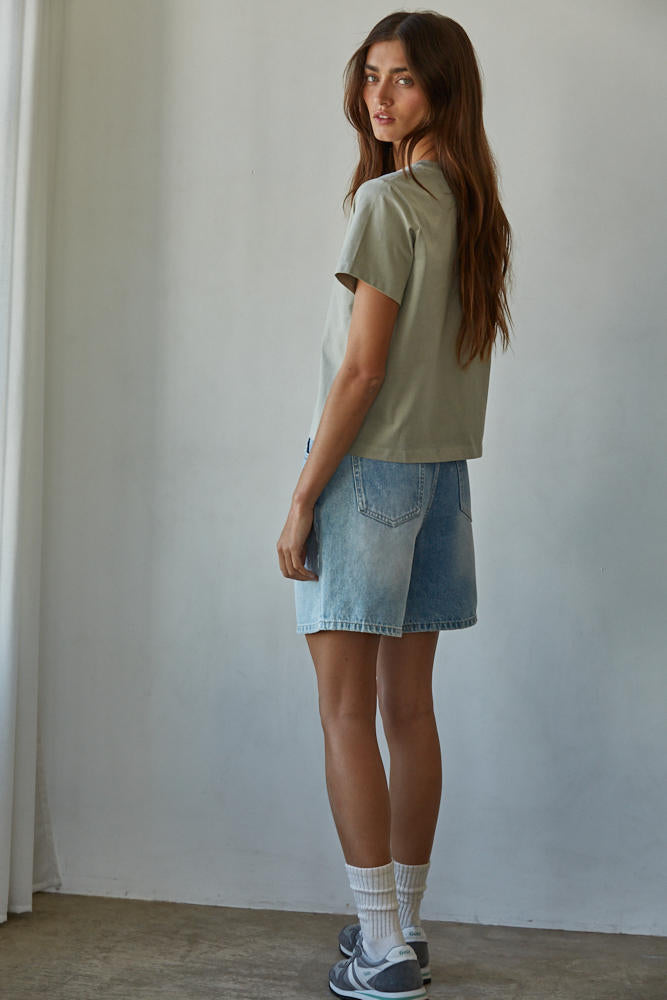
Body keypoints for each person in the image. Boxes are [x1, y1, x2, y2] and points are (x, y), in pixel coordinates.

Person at [276, 11, 513, 999]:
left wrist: (303, 496)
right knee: (407, 709)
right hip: (441, 479)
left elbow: (363, 371)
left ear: (443, 89)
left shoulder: (388, 201)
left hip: (367, 471)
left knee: (344, 710)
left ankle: (377, 949)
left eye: (404, 78)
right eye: (371, 74)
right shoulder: (474, 208)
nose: (379, 96)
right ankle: (403, 924)